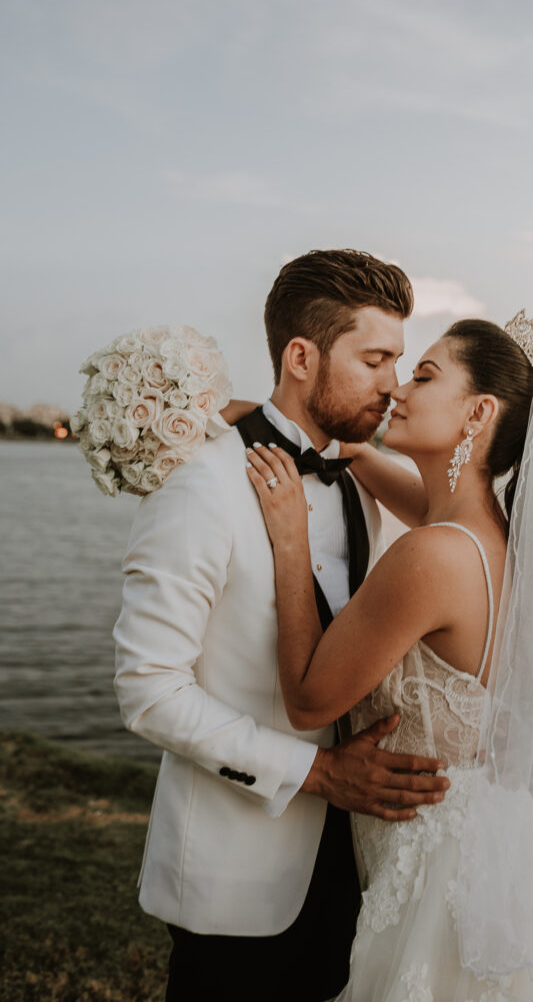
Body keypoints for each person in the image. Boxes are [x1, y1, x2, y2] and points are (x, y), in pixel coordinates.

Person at [245, 313, 533, 1000]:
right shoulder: (489, 540)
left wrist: (291, 541)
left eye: (423, 375)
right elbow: (424, 500)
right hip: (502, 847)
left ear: (479, 411)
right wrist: (336, 446)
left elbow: (307, 698)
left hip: (442, 884)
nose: (398, 392)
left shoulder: (431, 556)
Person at [112, 249, 451, 1002]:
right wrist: (319, 773)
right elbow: (148, 691)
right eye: (374, 360)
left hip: (361, 863)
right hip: (236, 880)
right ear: (301, 356)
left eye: (397, 361)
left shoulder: (360, 480)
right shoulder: (200, 488)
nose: (392, 385)